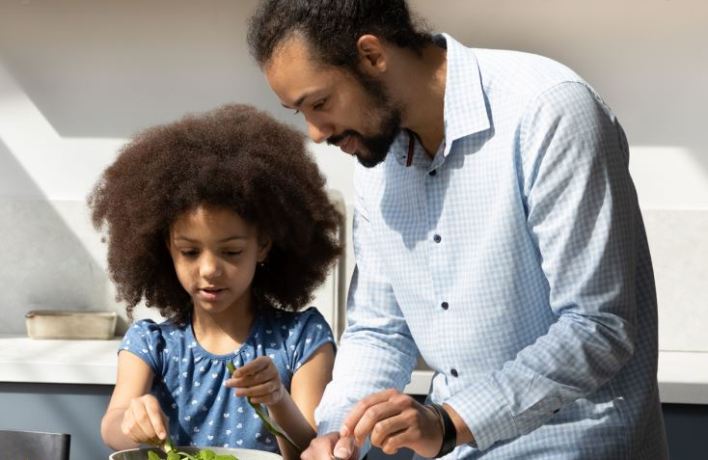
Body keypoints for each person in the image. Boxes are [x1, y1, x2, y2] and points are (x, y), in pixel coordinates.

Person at [246, 1, 669, 459]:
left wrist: (450, 422)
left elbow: (598, 326)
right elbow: (379, 329)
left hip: (579, 445)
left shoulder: (549, 111)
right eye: (299, 112)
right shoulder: (377, 158)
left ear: (371, 56)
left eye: (320, 103)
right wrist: (339, 434)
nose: (314, 132)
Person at [91, 104, 342, 460]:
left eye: (231, 252)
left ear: (264, 245)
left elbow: (311, 449)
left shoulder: (302, 339)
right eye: (190, 252)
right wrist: (132, 420)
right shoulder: (152, 343)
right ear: (168, 250)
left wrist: (276, 399)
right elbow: (111, 427)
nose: (209, 270)